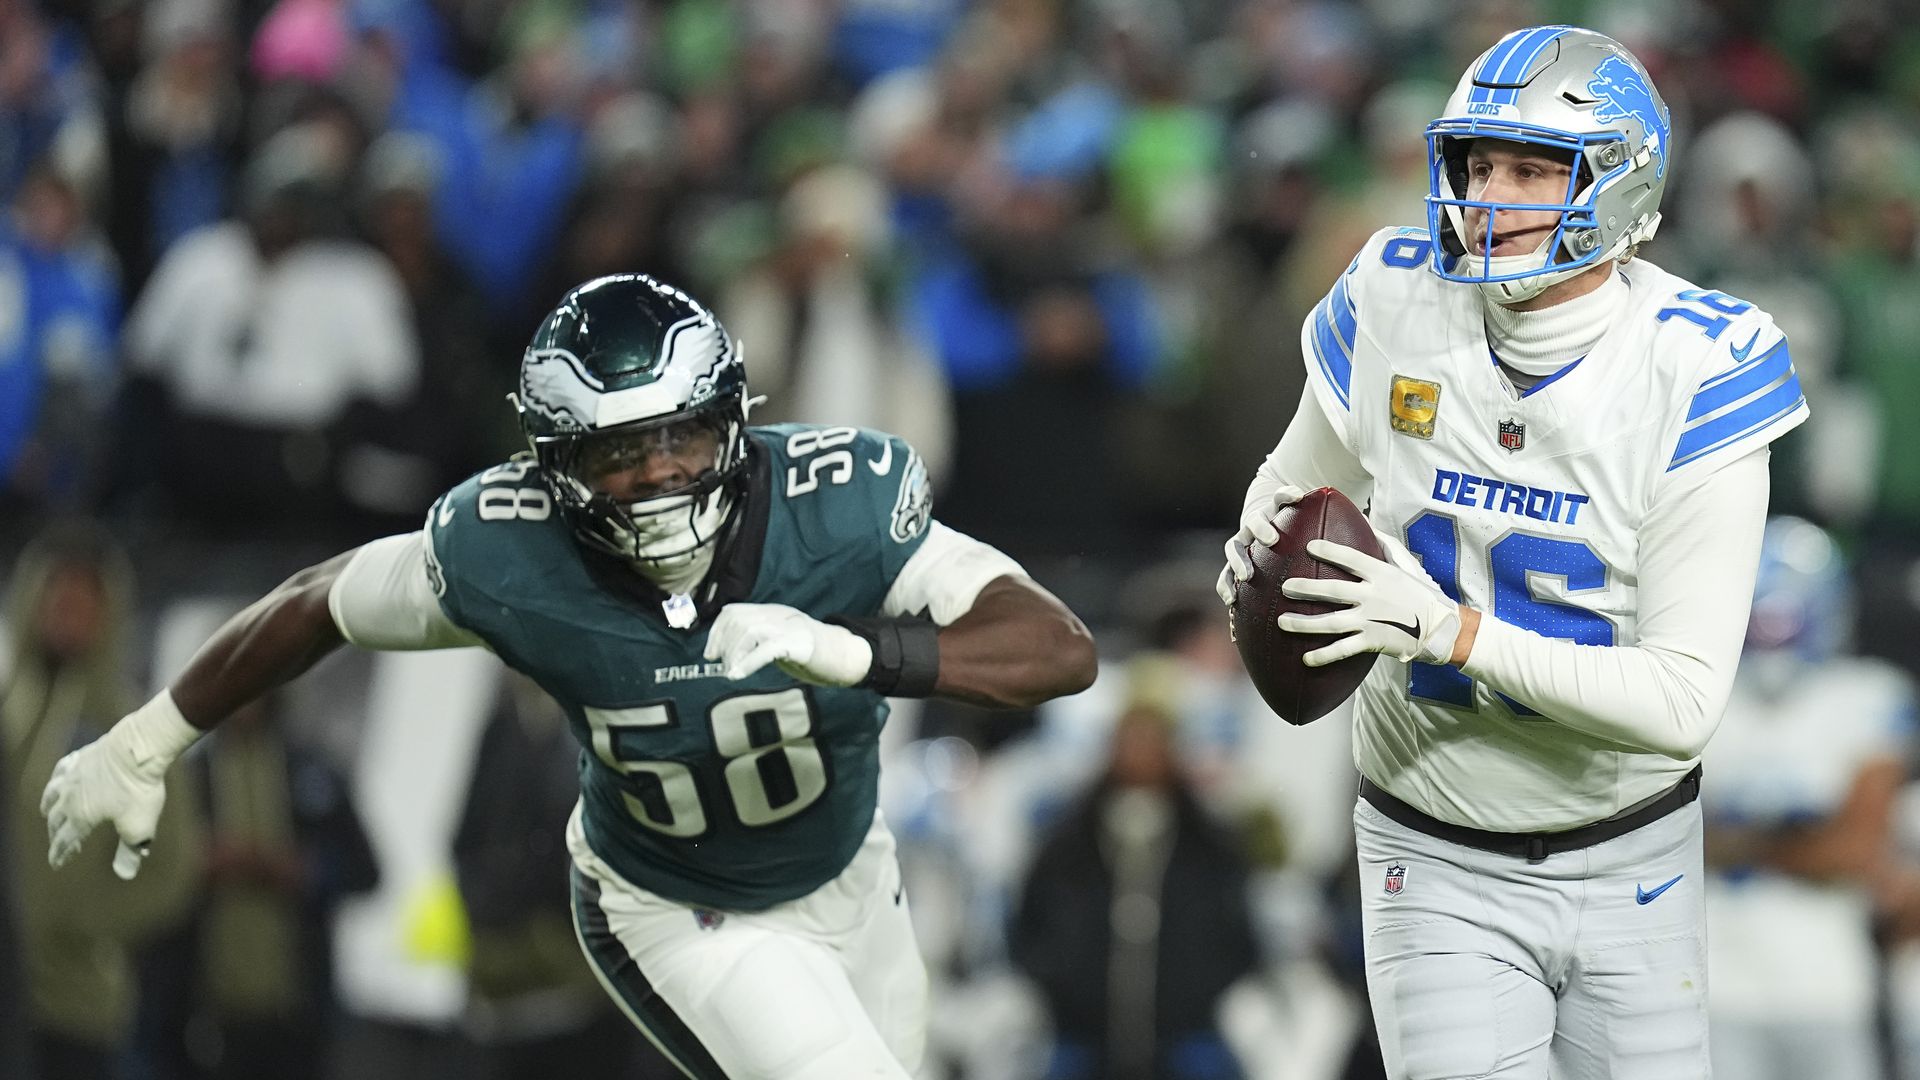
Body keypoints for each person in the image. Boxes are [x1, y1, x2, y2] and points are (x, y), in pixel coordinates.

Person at [40, 273, 1098, 1080]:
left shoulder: (845, 501)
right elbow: (319, 600)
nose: (653, 479)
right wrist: (149, 740)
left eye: (680, 438)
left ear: (733, 420)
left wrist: (859, 652)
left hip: (852, 872)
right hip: (676, 906)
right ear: (554, 465)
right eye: (615, 454)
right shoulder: (507, 550)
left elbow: (1056, 648)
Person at [1217, 27, 1806, 1078]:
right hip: (1430, 846)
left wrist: (1446, 628)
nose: (1489, 194)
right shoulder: (1396, 296)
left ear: (1620, 186)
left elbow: (1681, 703)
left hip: (1634, 852)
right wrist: (1261, 550)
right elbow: (1293, 492)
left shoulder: (1698, 362)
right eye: (1477, 164)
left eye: (1531, 168)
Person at [1702, 517, 1914, 1080]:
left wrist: (1733, 841)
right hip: (1712, 989)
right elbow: (1663, 840)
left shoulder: (1864, 698)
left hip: (1829, 991)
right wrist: (1799, 840)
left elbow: (1852, 851)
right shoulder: (1697, 700)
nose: (1772, 632)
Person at [4, 523, 201, 1080]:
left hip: (76, 1002)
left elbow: (172, 867)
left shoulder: (137, 732)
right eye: (56, 594)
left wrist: (79, 923)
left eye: (85, 598)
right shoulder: (7, 714)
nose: (68, 610)